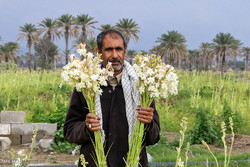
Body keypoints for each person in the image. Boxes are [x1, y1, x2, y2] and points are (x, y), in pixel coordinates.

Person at [64, 29, 160, 167]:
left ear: (125, 52)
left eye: (119, 49)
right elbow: (69, 130)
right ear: (99, 52)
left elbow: (154, 137)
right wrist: (86, 128)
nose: (114, 55)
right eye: (109, 49)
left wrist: (149, 124)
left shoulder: (141, 86)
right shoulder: (86, 86)